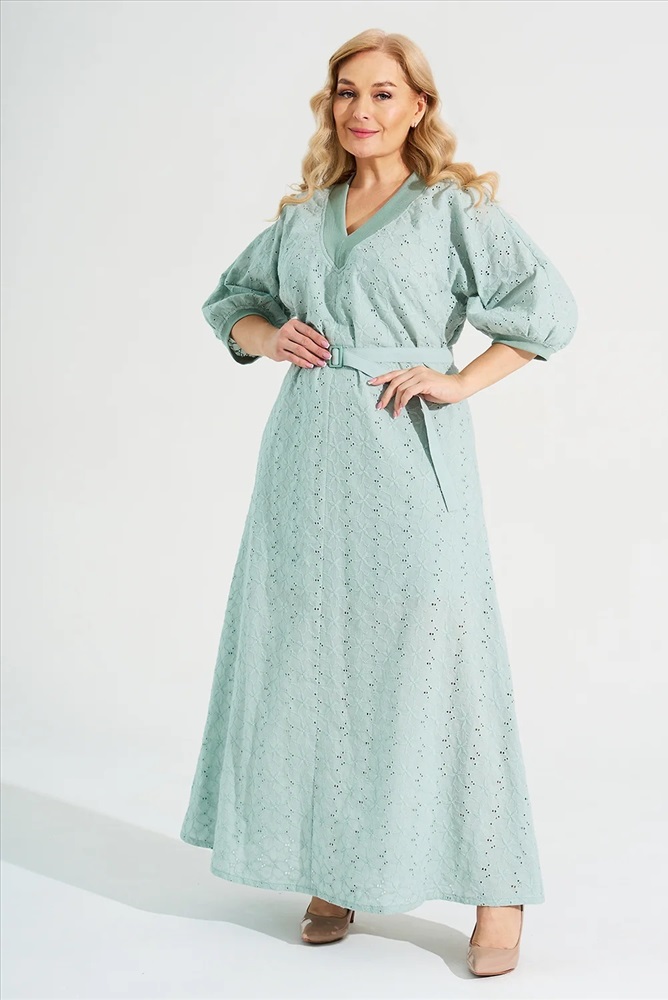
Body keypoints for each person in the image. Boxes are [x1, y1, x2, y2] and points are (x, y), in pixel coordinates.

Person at [180, 27, 577, 978]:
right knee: (314, 661)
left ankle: (498, 893)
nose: (362, 109)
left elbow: (547, 310)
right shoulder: (303, 217)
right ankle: (337, 868)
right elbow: (229, 301)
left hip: (406, 458)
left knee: (445, 663)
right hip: (304, 467)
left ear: (419, 106)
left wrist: (459, 380)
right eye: (347, 92)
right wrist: (267, 336)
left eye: (385, 92)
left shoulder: (453, 210)